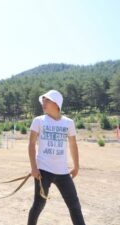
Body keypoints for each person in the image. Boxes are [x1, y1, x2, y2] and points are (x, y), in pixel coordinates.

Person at [27, 90, 85, 225]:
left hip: (63, 172)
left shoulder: (68, 123)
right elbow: (31, 145)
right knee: (38, 205)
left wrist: (76, 166)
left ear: (57, 103)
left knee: (74, 205)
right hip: (43, 172)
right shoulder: (38, 121)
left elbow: (73, 145)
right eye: (43, 101)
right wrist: (34, 168)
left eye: (47, 100)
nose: (43, 103)